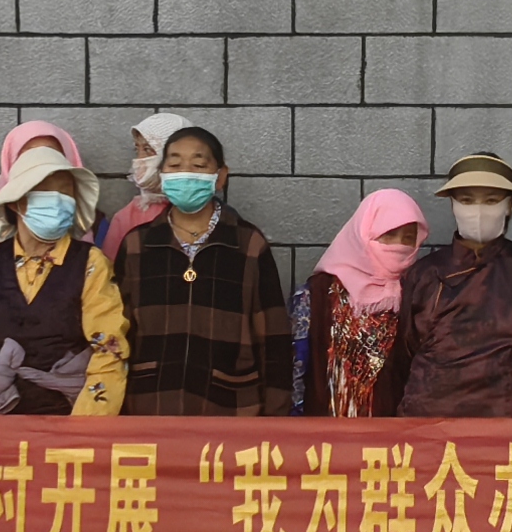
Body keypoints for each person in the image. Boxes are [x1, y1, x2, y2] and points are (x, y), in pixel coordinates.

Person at [0, 142, 130, 414]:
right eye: (44, 190)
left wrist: (84, 428)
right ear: (17, 201)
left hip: (66, 416)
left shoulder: (91, 263)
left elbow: (109, 350)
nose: (57, 200)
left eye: (65, 192)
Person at [112, 123, 290, 417]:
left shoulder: (248, 244)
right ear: (162, 174)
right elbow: (116, 334)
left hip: (229, 408)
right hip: (150, 406)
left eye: (198, 165)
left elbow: (273, 337)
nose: (185, 173)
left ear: (220, 176)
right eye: (174, 165)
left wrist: (275, 413)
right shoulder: (136, 245)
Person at [391, 150, 512, 417]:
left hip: (508, 421)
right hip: (429, 422)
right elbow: (404, 353)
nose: (478, 211)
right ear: (452, 204)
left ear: (510, 205)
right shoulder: (425, 273)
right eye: (467, 200)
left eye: (491, 200)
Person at [300, 191, 426, 418]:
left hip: (394, 433)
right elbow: (296, 367)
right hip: (323, 431)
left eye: (408, 238)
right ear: (365, 232)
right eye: (389, 234)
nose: (398, 245)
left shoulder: (418, 293)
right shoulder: (318, 292)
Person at [101, 110, 197, 252]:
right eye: (137, 150)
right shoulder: (128, 216)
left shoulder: (206, 212)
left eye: (148, 149)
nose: (139, 159)